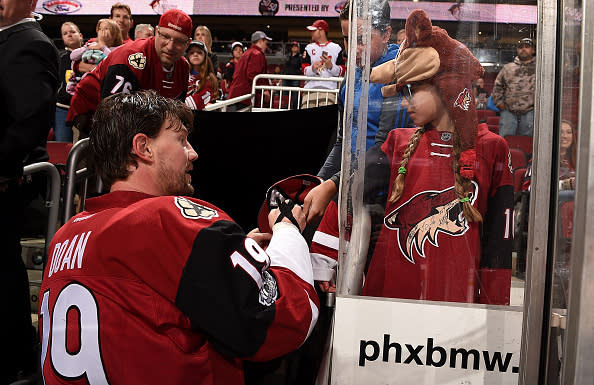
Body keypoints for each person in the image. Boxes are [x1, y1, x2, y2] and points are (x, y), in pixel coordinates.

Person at [39, 90, 319, 384]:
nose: (193, 153)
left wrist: (237, 255)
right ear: (143, 147)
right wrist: (288, 232)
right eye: (181, 140)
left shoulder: (65, 234)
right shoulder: (169, 218)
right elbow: (284, 321)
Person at [320, 9, 513, 304]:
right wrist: (326, 187)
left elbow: (499, 240)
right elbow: (356, 186)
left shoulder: (492, 147)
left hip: (456, 305)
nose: (406, 101)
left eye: (414, 90)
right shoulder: (398, 142)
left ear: (446, 88)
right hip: (392, 304)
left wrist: (495, 307)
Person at [303, 0, 410, 224]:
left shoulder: (398, 77)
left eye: (361, 40)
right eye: (347, 39)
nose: (353, 48)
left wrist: (333, 185)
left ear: (386, 34)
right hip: (349, 185)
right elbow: (342, 143)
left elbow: (385, 151)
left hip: (381, 200)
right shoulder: (351, 75)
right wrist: (317, 183)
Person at [0, 0, 59, 381]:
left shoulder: (30, 42)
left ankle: (14, 357)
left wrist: (3, 168)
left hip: (8, 183)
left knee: (4, 271)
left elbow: (29, 120)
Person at [66, 9, 192, 138]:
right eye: (165, 36)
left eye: (178, 41)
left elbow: (176, 114)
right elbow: (113, 115)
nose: (170, 46)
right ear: (156, 32)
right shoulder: (129, 58)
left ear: (188, 43)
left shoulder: (183, 67)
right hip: (92, 111)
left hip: (137, 118)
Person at [491, 37, 536, 137]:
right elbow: (497, 86)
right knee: (504, 141)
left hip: (530, 112)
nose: (523, 49)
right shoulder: (508, 68)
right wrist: (499, 103)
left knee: (527, 143)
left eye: (527, 47)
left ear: (533, 50)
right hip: (508, 111)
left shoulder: (539, 68)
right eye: (520, 47)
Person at [301, 19, 345, 108]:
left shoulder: (336, 48)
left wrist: (331, 66)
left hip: (329, 90)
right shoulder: (309, 48)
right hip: (310, 89)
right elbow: (304, 70)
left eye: (314, 30)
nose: (311, 33)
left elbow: (342, 71)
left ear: (321, 31)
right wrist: (313, 68)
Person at [227, 30, 272, 111]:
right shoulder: (256, 54)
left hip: (237, 95)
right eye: (266, 43)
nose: (266, 46)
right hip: (244, 97)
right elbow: (253, 75)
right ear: (260, 41)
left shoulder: (247, 53)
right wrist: (264, 90)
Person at [55, 21, 83, 142]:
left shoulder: (92, 55)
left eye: (72, 32)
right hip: (63, 108)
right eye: (65, 33)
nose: (69, 35)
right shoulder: (59, 57)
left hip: (85, 110)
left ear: (80, 35)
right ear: (62, 38)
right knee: (62, 146)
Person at [185, 40, 219, 110]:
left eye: (199, 52)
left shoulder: (209, 78)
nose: (195, 54)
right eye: (191, 52)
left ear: (205, 57)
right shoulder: (182, 74)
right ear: (188, 56)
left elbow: (195, 103)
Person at [283, 40, 302, 109]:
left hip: (295, 79)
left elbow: (301, 68)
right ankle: (285, 108)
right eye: (293, 46)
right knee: (285, 96)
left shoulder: (300, 57)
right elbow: (284, 67)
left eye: (295, 46)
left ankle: (295, 107)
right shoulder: (287, 56)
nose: (294, 48)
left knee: (295, 96)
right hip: (286, 78)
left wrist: (297, 72)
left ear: (298, 48)